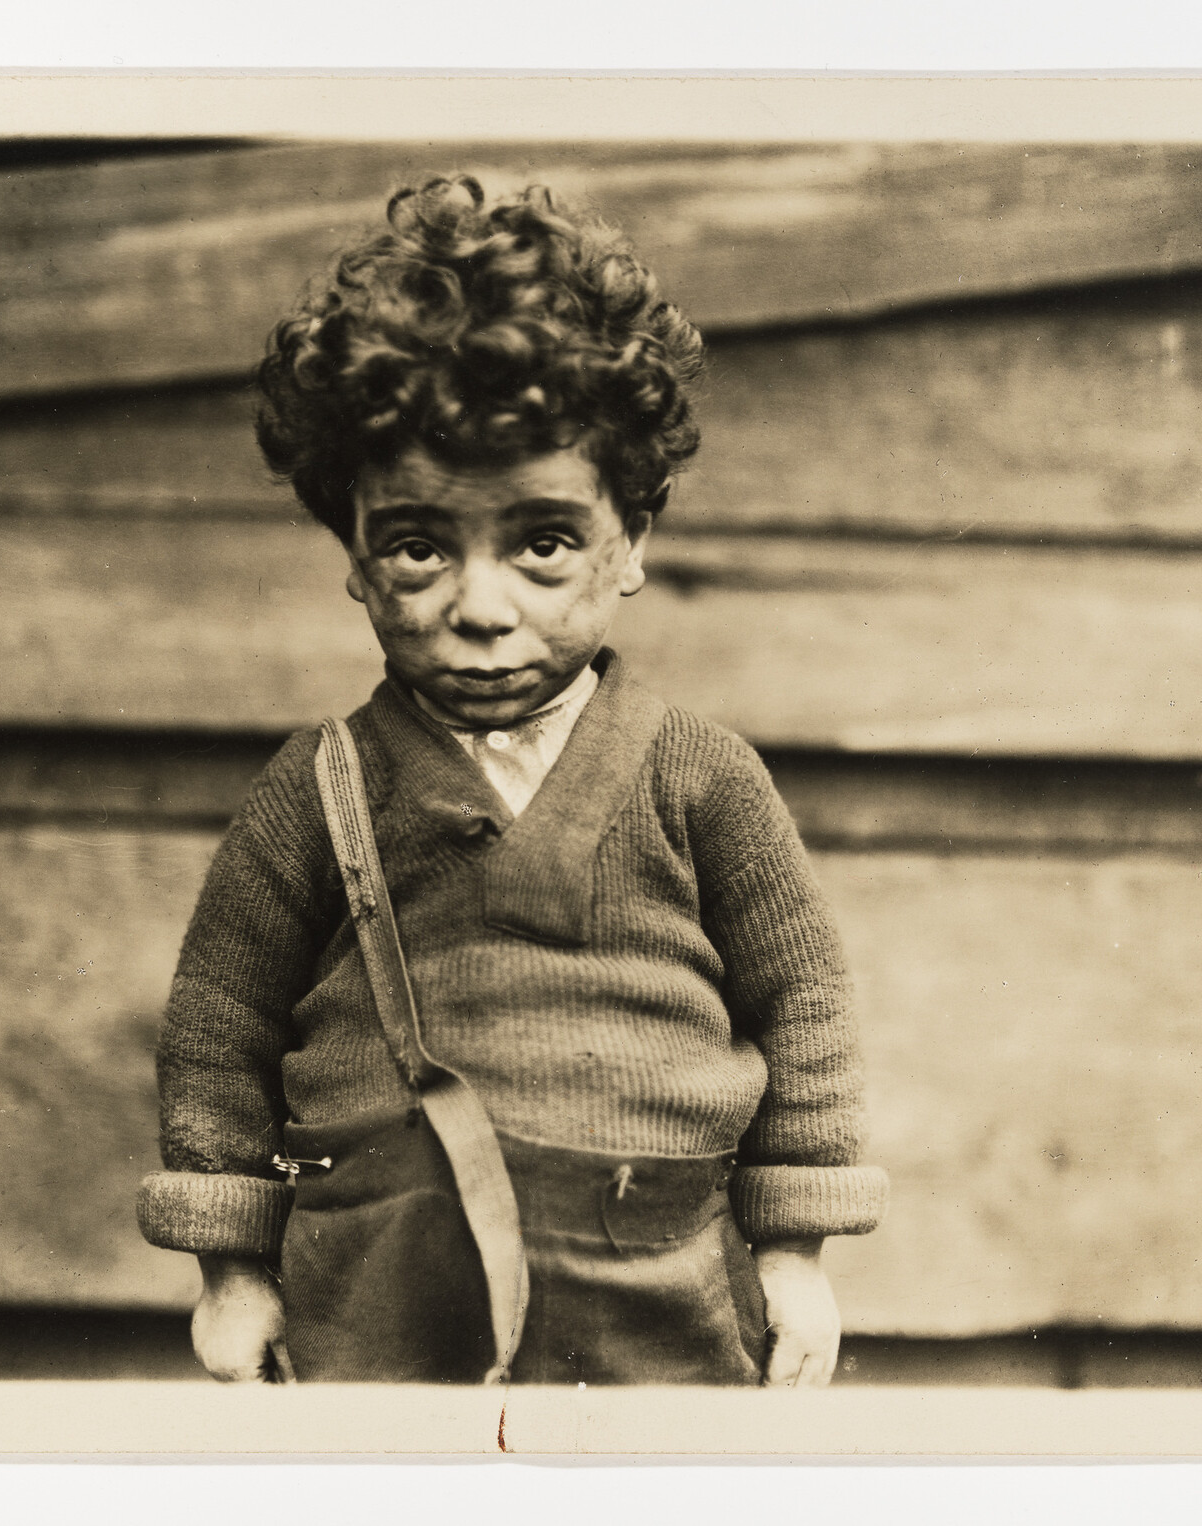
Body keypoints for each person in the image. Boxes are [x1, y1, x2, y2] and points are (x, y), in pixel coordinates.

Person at [137, 175, 886, 1387]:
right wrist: (233, 1275)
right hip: (374, 1288)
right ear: (354, 556)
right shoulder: (316, 788)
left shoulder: (700, 777)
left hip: (657, 1289)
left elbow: (803, 1013)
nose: (481, 608)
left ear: (629, 540)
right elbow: (217, 1035)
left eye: (541, 543)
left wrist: (792, 1252)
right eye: (421, 545)